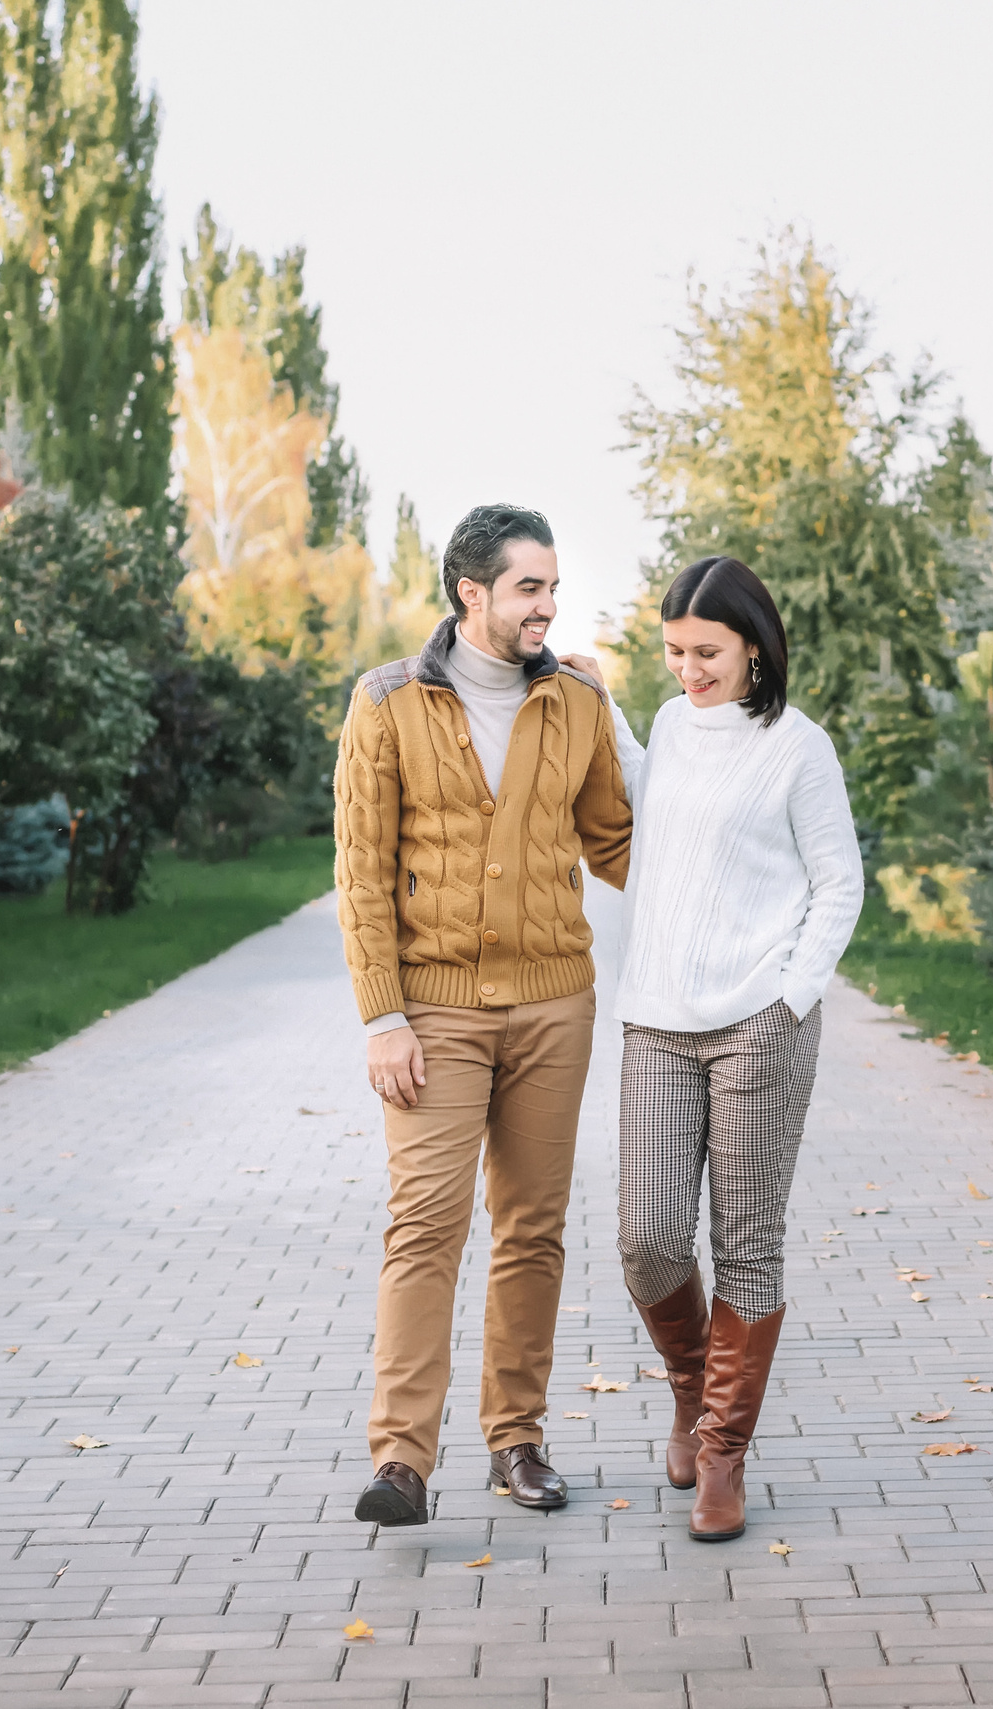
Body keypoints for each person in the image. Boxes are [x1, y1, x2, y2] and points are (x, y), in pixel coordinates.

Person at [333, 503, 633, 1526]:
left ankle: (517, 1440)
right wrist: (384, 1016)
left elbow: (617, 843)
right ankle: (401, 1459)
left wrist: (740, 868)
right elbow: (362, 875)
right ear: (472, 593)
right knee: (424, 1222)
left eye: (552, 586)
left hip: (555, 1003)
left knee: (532, 1228)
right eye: (530, 588)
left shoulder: (576, 704)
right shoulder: (386, 702)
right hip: (434, 1012)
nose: (549, 605)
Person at [603, 555, 862, 1543]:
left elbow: (837, 882)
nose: (686, 669)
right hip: (657, 1017)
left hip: (760, 1019)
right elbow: (652, 797)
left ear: (754, 645)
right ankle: (688, 1386)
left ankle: (721, 1449)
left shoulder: (799, 749)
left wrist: (791, 996)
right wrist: (605, 707)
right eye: (672, 651)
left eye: (705, 651)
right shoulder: (671, 725)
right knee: (647, 1234)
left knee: (745, 1243)